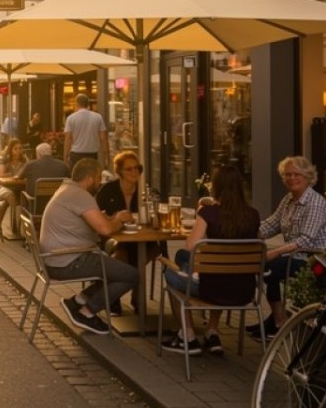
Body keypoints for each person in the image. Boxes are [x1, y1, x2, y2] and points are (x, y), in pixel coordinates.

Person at [161, 164, 261, 355]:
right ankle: (212, 332)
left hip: (211, 289)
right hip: (244, 290)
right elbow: (259, 242)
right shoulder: (253, 214)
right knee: (186, 259)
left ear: (216, 188)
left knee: (169, 271)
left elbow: (190, 245)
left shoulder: (209, 213)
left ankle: (188, 335)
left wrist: (202, 213)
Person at [41, 158, 138, 335]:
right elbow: (106, 229)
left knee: (114, 268)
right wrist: (119, 220)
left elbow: (94, 222)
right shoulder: (80, 195)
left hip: (57, 258)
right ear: (91, 178)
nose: (100, 182)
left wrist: (106, 218)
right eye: (99, 177)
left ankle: (77, 301)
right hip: (68, 261)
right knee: (131, 275)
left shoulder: (67, 189)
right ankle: (86, 313)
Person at [247, 155, 326, 340]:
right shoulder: (289, 199)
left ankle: (279, 321)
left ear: (308, 177)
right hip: (295, 256)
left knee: (269, 267)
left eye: (297, 174)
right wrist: (245, 232)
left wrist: (275, 252)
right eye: (288, 175)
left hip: (315, 259)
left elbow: (306, 241)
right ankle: (277, 318)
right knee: (264, 266)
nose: (292, 178)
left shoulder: (314, 203)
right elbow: (270, 225)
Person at [95, 151, 156, 314]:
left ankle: (131, 295)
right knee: (121, 253)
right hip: (114, 238)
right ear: (119, 171)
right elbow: (97, 216)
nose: (134, 172)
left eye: (137, 168)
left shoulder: (145, 192)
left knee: (152, 250)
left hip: (140, 238)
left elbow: (154, 217)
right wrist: (116, 218)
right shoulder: (107, 190)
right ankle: (122, 298)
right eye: (129, 169)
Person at [0, 139, 30, 239]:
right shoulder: (5, 160)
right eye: (15, 149)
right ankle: (16, 227)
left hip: (19, 187)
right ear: (11, 150)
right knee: (11, 197)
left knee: (11, 201)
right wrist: (12, 175)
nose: (18, 151)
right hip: (4, 187)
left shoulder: (25, 160)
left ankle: (0, 224)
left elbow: (29, 171)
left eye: (20, 148)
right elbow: (0, 175)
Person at [63, 94, 110, 168]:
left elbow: (68, 138)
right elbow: (103, 138)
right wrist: (106, 156)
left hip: (76, 154)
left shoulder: (71, 118)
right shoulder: (98, 117)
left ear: (77, 104)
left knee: (77, 177)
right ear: (88, 104)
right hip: (92, 154)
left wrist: (65, 157)